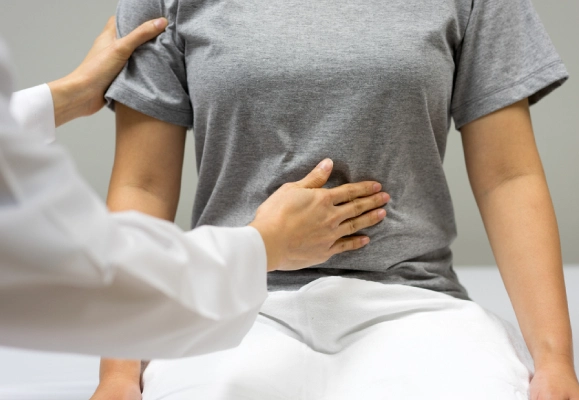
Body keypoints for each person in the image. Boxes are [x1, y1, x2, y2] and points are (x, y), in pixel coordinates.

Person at [94, 0, 579, 398]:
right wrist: (117, 373)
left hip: (414, 303)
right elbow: (143, 185)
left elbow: (508, 177)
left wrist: (554, 362)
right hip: (231, 305)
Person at [0, 17, 390, 359]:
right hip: (251, 314)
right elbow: (94, 251)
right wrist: (268, 243)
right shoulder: (164, 8)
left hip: (402, 301)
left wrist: (68, 96)